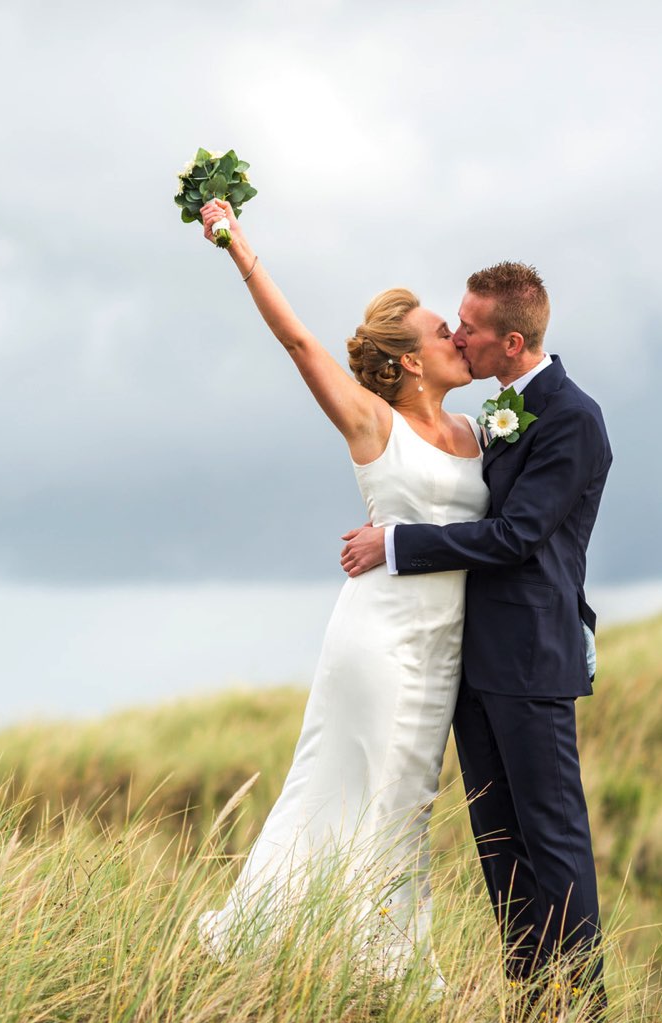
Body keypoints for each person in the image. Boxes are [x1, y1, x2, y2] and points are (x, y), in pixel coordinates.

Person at [189, 199, 485, 983]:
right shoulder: (372, 424)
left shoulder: (482, 435)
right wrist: (237, 247)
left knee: (407, 802)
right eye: (441, 332)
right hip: (379, 640)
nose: (457, 338)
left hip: (443, 650)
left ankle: (378, 967)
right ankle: (273, 948)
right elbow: (297, 341)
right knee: (348, 785)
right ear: (412, 361)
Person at [338, 262, 612, 1005]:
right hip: (473, 665)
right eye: (454, 321)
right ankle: (529, 1010)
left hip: (532, 663)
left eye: (469, 327)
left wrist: (396, 544)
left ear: (513, 341)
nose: (457, 334)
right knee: (501, 850)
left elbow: (519, 536)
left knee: (554, 844)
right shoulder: (495, 414)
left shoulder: (572, 418)